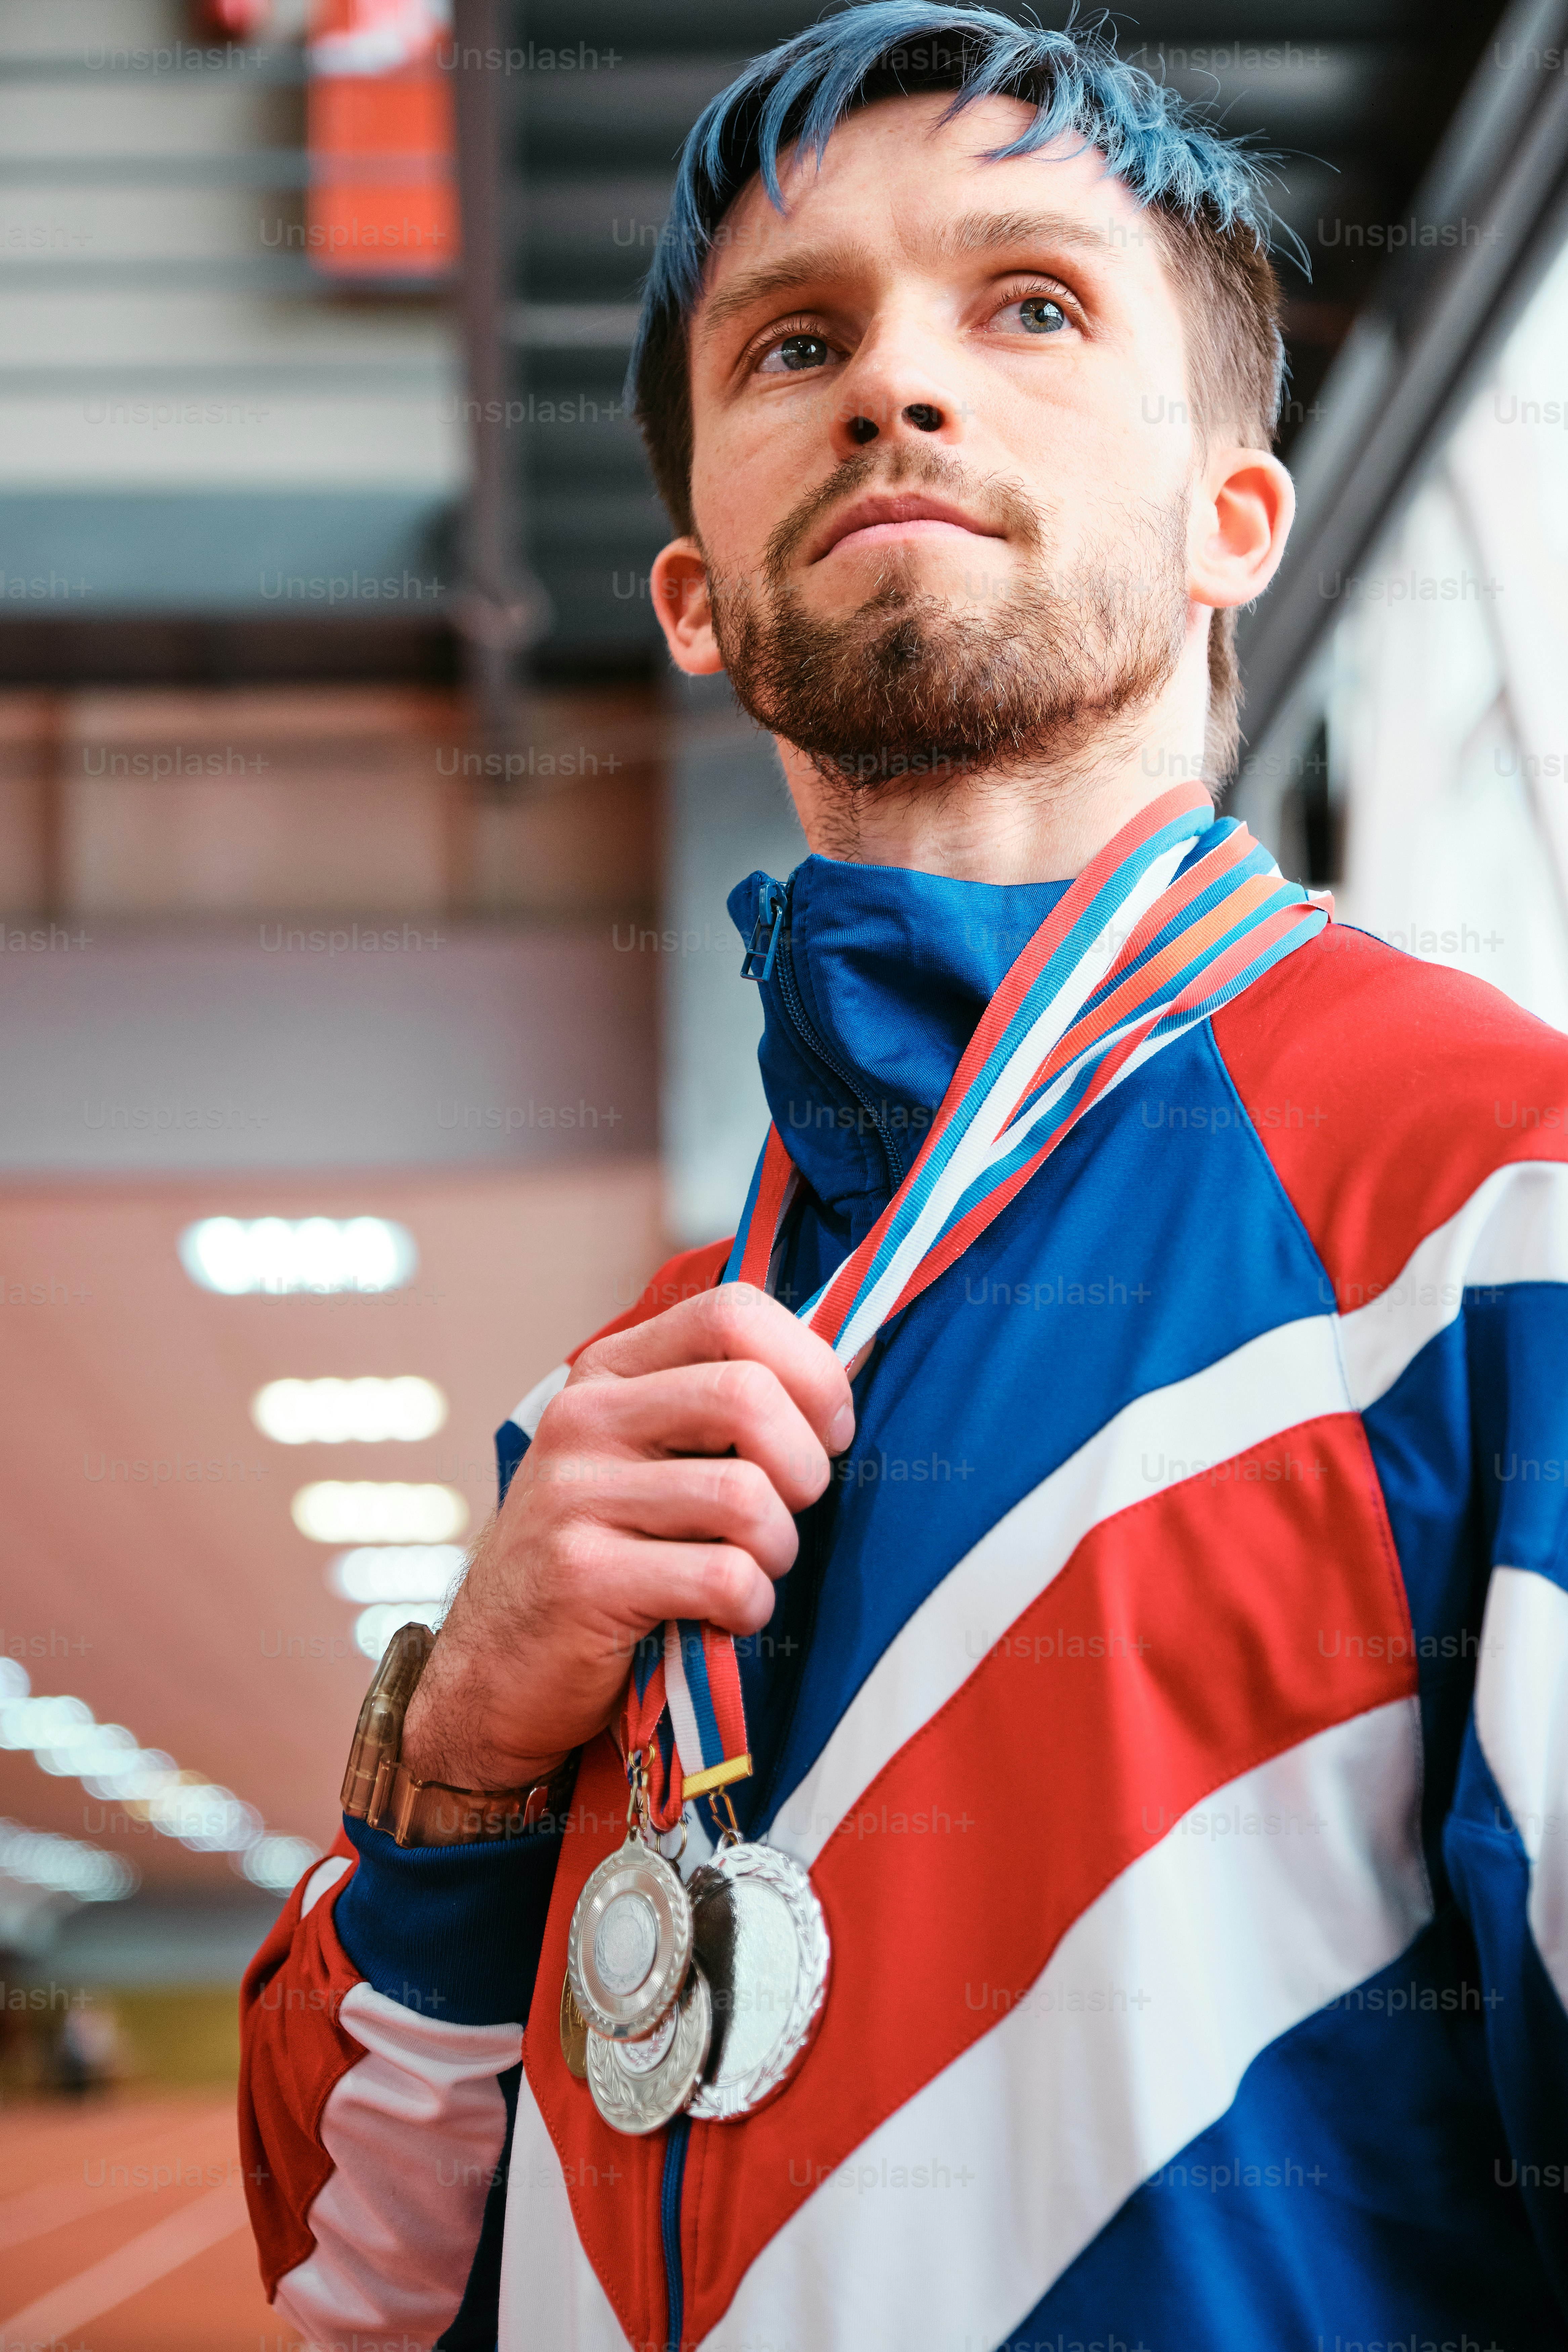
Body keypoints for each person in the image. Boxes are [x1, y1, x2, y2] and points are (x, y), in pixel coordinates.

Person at [240, 9, 1568, 2349]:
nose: (894, 390)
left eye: (1031, 307)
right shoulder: (626, 1394)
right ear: (694, 598)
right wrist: (456, 1762)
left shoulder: (1491, 1204)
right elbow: (358, 2270)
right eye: (798, 342)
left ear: (1227, 525)